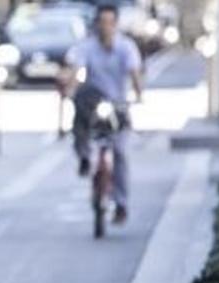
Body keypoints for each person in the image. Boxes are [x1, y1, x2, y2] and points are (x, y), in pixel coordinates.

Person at [59, 4, 143, 224]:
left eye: (110, 23)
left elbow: (134, 73)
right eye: (102, 23)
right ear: (96, 24)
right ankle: (85, 157)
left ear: (116, 24)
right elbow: (78, 72)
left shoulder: (126, 47)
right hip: (94, 103)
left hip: (119, 106)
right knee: (79, 117)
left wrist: (139, 95)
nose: (106, 27)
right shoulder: (87, 47)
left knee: (120, 153)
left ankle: (121, 204)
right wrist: (71, 89)